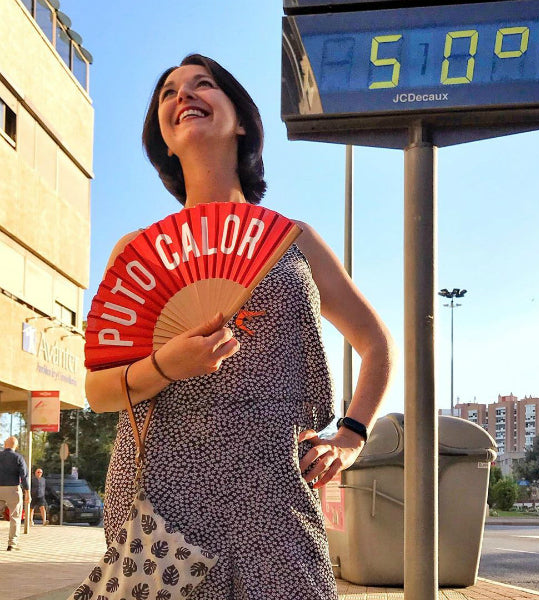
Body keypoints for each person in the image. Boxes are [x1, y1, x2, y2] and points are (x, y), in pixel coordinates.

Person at [86, 54, 395, 599]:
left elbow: (376, 342)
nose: (182, 95)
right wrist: (165, 366)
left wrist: (351, 436)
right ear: (162, 136)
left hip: (275, 492)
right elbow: (98, 392)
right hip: (160, 498)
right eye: (167, 93)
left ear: (243, 121)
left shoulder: (290, 239)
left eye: (201, 84)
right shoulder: (137, 252)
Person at [0, 436, 30, 551]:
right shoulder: (18, 457)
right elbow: (24, 476)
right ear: (15, 446)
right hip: (13, 489)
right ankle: (12, 544)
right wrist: (27, 492)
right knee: (15, 516)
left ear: (4, 444)